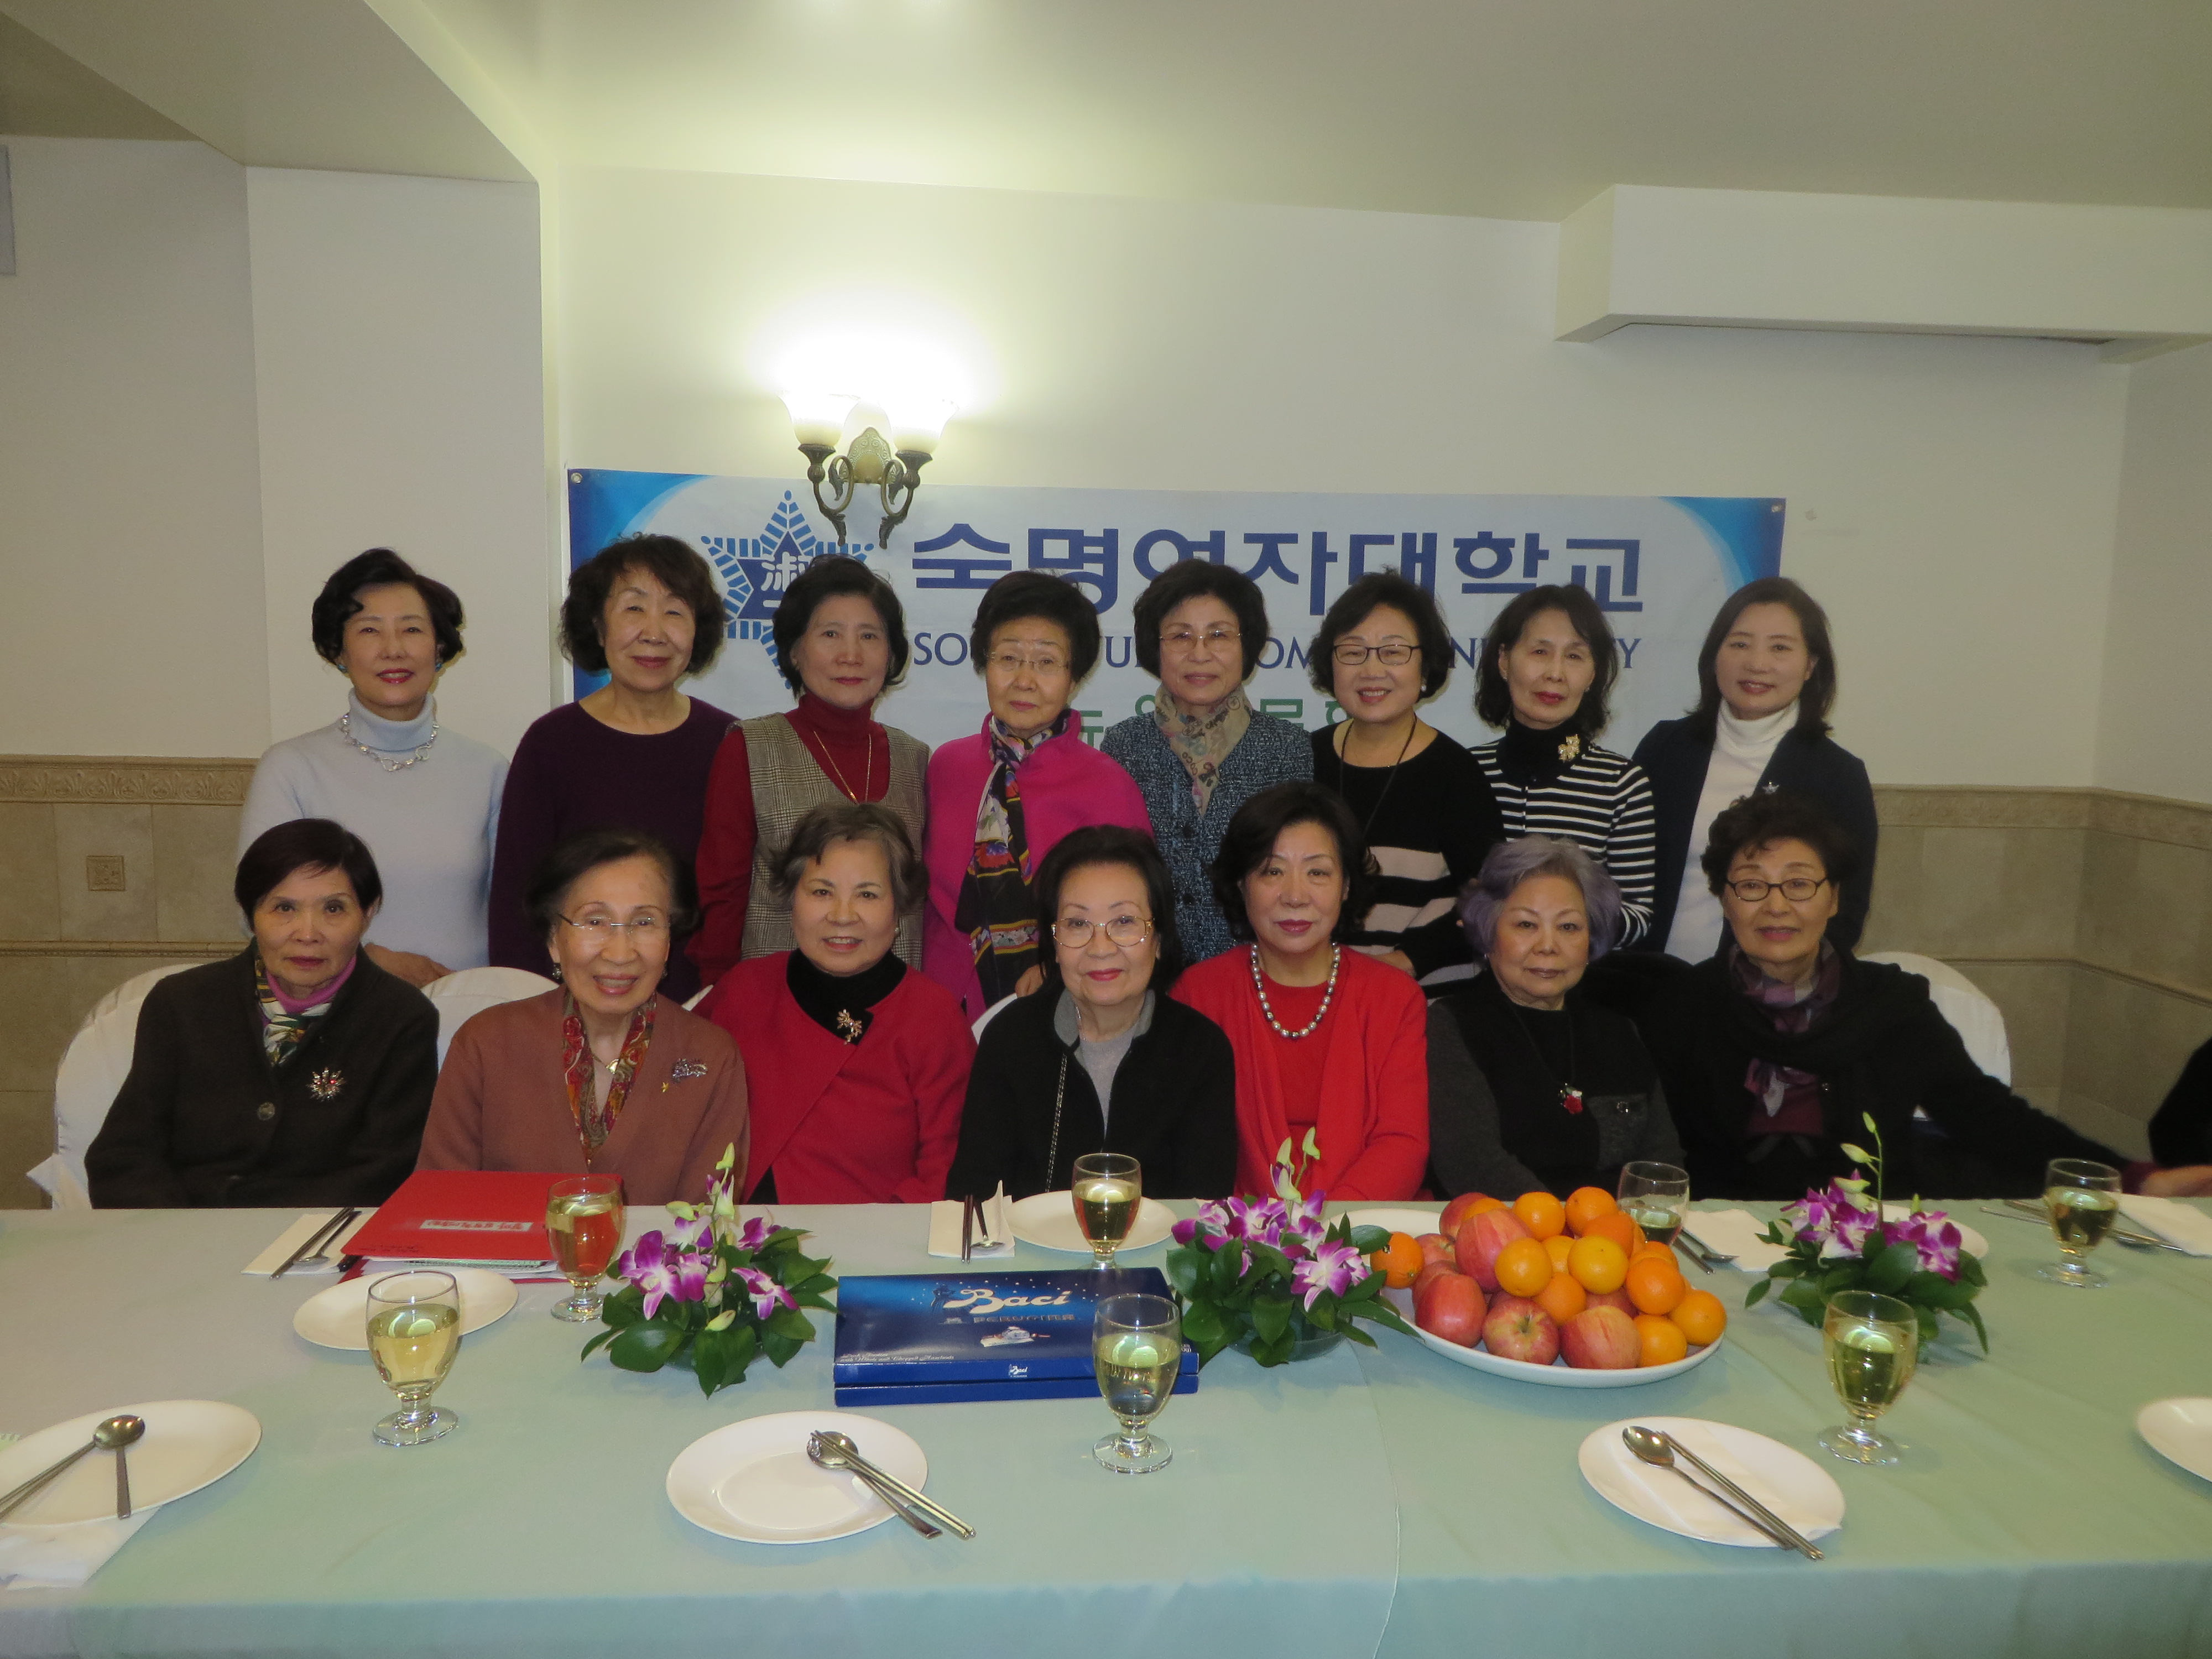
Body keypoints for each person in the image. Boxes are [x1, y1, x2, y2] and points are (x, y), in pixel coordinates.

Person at [1642, 792, 2212, 1202]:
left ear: (1833, 898)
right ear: (1724, 899)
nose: (1775, 905)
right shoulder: (1681, 1006)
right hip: (1717, 1243)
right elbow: (1650, 1151)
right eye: (1750, 885)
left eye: (1798, 883)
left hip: (1870, 1244)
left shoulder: (1891, 1008)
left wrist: (2128, 1177)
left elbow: (1991, 1119)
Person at [87, 820, 437, 1207]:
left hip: (321, 1231)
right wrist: (178, 1230)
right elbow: (124, 1156)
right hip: (180, 1225)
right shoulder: (182, 1004)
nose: (308, 933)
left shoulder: (401, 1018)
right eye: (284, 908)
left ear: (367, 914)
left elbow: (385, 1172)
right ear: (251, 914)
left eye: (333, 909)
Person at [422, 828, 749, 1206]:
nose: (620, 953)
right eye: (595, 922)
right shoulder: (486, 1043)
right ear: (553, 939)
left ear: (669, 940)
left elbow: (707, 1225)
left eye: (645, 922)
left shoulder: (711, 1055)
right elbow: (439, 1203)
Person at [239, 549, 507, 985]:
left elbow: (514, 912)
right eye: (369, 630)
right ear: (339, 651)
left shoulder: (488, 769)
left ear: (439, 648)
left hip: (468, 1012)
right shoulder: (292, 768)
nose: (393, 649)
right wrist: (366, 964)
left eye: (412, 629)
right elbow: (257, 911)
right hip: (340, 1008)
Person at [489, 535, 733, 1003]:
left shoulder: (728, 742)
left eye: (675, 611)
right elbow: (517, 900)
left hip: (699, 1004)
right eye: (634, 608)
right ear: (598, 627)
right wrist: (530, 1007)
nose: (654, 633)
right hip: (573, 1002)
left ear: (697, 631)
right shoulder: (552, 742)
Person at [697, 804, 972, 1203]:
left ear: (898, 909)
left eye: (867, 894)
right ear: (793, 899)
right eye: (822, 892)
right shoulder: (744, 990)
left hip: (879, 1234)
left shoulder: (932, 1016)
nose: (843, 916)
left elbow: (948, 1167)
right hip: (737, 1232)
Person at [947, 825, 1238, 1200]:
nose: (1101, 948)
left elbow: (1204, 1210)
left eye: (1124, 922)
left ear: (1159, 940)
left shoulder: (1200, 1049)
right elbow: (973, 1197)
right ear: (1054, 944)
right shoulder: (1011, 1040)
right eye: (1078, 924)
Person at [1174, 782, 1428, 1200]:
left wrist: (1325, 1228)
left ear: (1346, 886)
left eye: (1318, 873)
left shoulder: (1394, 999)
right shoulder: (1198, 995)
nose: (1295, 896)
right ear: (1241, 884)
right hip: (1232, 1228)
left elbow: (1402, 1143)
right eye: (1272, 871)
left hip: (1362, 1225)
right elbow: (1188, 1148)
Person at [692, 555, 929, 988]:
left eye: (869, 636)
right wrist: (719, 993)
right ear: (795, 651)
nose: (851, 655)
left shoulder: (915, 758)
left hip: (892, 1004)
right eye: (830, 634)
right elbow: (721, 892)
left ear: (892, 653)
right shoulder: (750, 748)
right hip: (775, 1000)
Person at [923, 571, 1151, 1015]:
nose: (1024, 680)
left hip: (1062, 1007)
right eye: (1009, 658)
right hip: (944, 1004)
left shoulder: (1108, 785)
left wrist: (1059, 969)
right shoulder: (947, 767)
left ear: (1074, 677)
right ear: (984, 663)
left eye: (1047, 662)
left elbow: (1136, 915)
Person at [1635, 577, 1879, 961]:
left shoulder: (1838, 775)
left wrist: (1772, 983)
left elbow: (1844, 913)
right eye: (1740, 644)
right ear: (1715, 655)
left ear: (1810, 665)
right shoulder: (1665, 748)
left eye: (1780, 647)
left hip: (1762, 986)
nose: (1757, 664)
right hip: (1646, 976)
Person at [1428, 838, 1682, 1200]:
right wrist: (1566, 1222)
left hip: (1617, 1229)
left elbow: (1661, 1166)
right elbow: (1473, 1164)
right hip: (1504, 1226)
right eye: (1526, 925)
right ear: (1489, 933)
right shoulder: (1451, 1024)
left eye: (1568, 927)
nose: (1548, 946)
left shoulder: (1620, 1031)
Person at [1101, 560, 1313, 965]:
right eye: (1181, 636)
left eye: (1219, 635)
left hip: (1257, 969)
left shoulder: (1288, 749)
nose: (1200, 654)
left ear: (1247, 646)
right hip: (1146, 971)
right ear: (1155, 647)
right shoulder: (1123, 746)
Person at [1307, 570, 1504, 987]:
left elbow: (1489, 900)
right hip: (1315, 992)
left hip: (1425, 997)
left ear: (1425, 666)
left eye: (1393, 652)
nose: (1372, 669)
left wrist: (1402, 963)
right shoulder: (1305, 759)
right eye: (1353, 652)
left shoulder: (1456, 773)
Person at [1470, 585, 1658, 946]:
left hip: (1579, 976)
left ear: (1592, 674)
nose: (1555, 673)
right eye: (1540, 651)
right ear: (1504, 661)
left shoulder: (1620, 783)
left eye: (1574, 656)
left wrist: (1562, 925)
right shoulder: (1466, 771)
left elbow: (1639, 915)